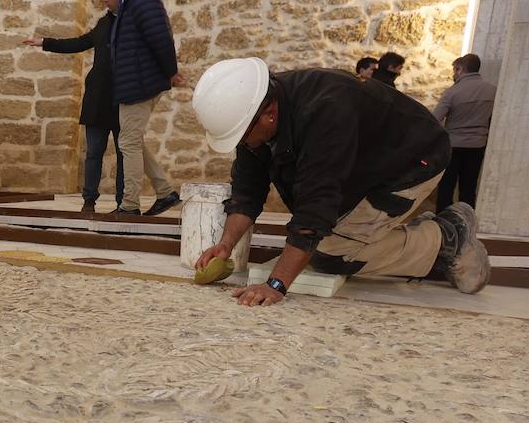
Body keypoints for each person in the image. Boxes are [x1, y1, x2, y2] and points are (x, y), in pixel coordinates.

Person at [190, 58, 489, 307]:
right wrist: (225, 245)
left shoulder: (325, 112)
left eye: (241, 137)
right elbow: (247, 191)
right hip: (362, 170)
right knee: (325, 241)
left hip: (411, 161)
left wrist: (276, 284)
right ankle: (419, 230)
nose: (241, 144)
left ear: (268, 115)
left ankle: (446, 236)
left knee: (332, 254)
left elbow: (315, 210)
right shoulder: (254, 108)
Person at [23, 0, 124, 214]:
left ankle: (123, 204)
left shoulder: (132, 25)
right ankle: (89, 201)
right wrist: (44, 42)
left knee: (124, 155)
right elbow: (78, 43)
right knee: (94, 153)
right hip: (97, 99)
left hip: (122, 99)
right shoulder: (103, 24)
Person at [100, 0, 185, 217]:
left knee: (128, 143)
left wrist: (170, 71)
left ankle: (129, 206)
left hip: (139, 81)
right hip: (136, 79)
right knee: (132, 139)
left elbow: (160, 37)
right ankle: (165, 192)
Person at [432, 53, 497, 211]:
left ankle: (443, 225)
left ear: (460, 69)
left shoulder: (452, 92)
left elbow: (435, 119)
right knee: (468, 188)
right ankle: (466, 223)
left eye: (454, 70)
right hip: (477, 145)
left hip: (453, 145)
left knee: (446, 187)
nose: (454, 74)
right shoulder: (493, 90)